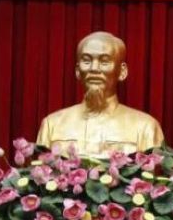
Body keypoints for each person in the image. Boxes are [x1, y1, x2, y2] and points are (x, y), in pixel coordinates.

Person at [36, 31, 164, 156]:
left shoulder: (146, 127)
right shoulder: (51, 124)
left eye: (104, 62)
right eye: (86, 61)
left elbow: (152, 175)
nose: (94, 68)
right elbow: (40, 172)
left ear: (122, 71)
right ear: (77, 71)